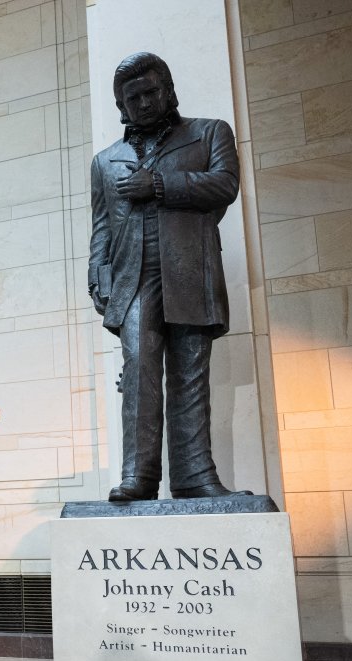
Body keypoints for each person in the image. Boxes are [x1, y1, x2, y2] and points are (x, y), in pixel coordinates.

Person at [88, 52, 249, 501]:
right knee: (138, 369)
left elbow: (225, 185)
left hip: (190, 271)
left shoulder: (209, 132)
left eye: (150, 91)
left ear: (169, 90)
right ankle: (138, 475)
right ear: (121, 105)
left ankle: (195, 475)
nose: (142, 102)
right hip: (134, 277)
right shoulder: (106, 160)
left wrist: (158, 186)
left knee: (190, 374)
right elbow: (102, 224)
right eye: (132, 97)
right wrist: (97, 272)